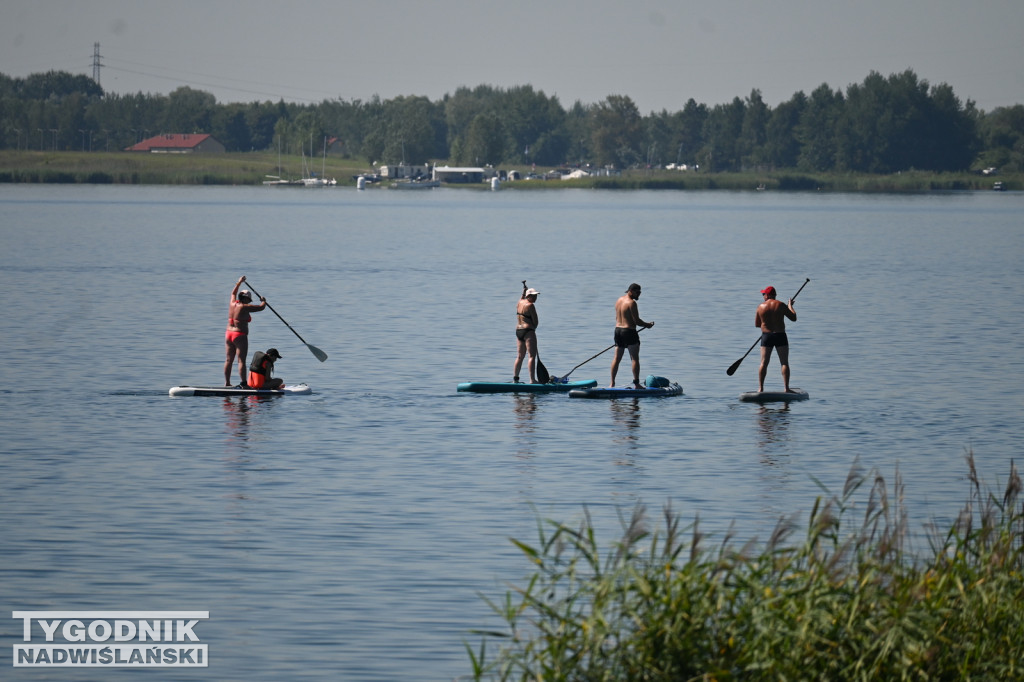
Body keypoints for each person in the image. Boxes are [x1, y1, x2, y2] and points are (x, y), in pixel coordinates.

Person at [224, 275, 267, 387]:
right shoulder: (244, 307)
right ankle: (244, 383)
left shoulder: (232, 302)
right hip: (239, 335)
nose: (249, 301)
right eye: (248, 299)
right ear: (246, 298)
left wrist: (239, 282)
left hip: (228, 334)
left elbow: (232, 293)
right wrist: (264, 301)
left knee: (229, 360)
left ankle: (227, 383)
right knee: (241, 361)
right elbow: (261, 307)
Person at [755, 285, 798, 392]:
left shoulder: (760, 307)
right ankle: (786, 388)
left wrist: (767, 324)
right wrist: (790, 306)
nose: (763, 296)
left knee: (763, 363)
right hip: (780, 335)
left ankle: (760, 388)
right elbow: (793, 318)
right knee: (784, 363)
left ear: (768, 295)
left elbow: (757, 324)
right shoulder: (781, 305)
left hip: (766, 336)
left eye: (764, 294)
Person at [611, 283, 654, 388]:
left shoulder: (619, 300)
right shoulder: (632, 303)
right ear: (630, 291)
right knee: (634, 359)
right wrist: (647, 325)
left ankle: (612, 383)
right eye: (637, 292)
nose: (638, 295)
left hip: (618, 331)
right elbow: (637, 321)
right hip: (629, 332)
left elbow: (618, 318)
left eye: (640, 292)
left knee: (617, 358)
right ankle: (637, 384)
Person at [514, 287, 540, 383]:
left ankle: (515, 378)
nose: (535, 298)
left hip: (518, 331)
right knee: (532, 356)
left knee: (520, 356)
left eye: (536, 295)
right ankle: (532, 380)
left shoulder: (519, 303)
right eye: (533, 296)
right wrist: (533, 329)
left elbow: (521, 298)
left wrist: (523, 292)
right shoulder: (530, 305)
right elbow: (536, 321)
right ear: (528, 296)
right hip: (528, 331)